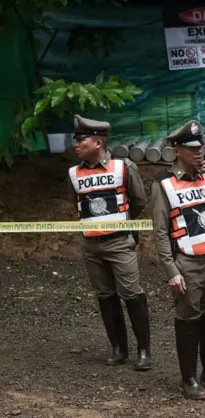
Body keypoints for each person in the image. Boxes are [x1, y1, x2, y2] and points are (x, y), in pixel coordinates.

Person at [151, 120, 205, 400]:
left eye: (201, 146)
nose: (198, 151)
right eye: (191, 148)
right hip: (186, 261)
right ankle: (188, 378)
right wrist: (171, 270)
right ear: (177, 150)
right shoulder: (164, 184)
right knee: (188, 318)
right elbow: (160, 232)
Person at [67, 115, 151, 371]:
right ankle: (118, 348)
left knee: (132, 294)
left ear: (98, 142)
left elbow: (139, 202)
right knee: (105, 295)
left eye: (81, 139)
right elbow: (77, 204)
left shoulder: (123, 167)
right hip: (91, 245)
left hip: (119, 242)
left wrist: (120, 225)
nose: (76, 144)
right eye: (76, 139)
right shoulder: (73, 173)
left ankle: (144, 350)